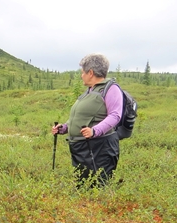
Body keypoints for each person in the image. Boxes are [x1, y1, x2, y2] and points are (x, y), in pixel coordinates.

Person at [52, 54, 123, 186]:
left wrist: (94, 131)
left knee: (98, 187)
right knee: (83, 187)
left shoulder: (110, 88)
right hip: (82, 148)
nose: (81, 75)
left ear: (90, 72)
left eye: (82, 72)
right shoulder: (89, 91)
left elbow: (115, 115)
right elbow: (80, 117)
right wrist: (64, 128)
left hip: (99, 148)